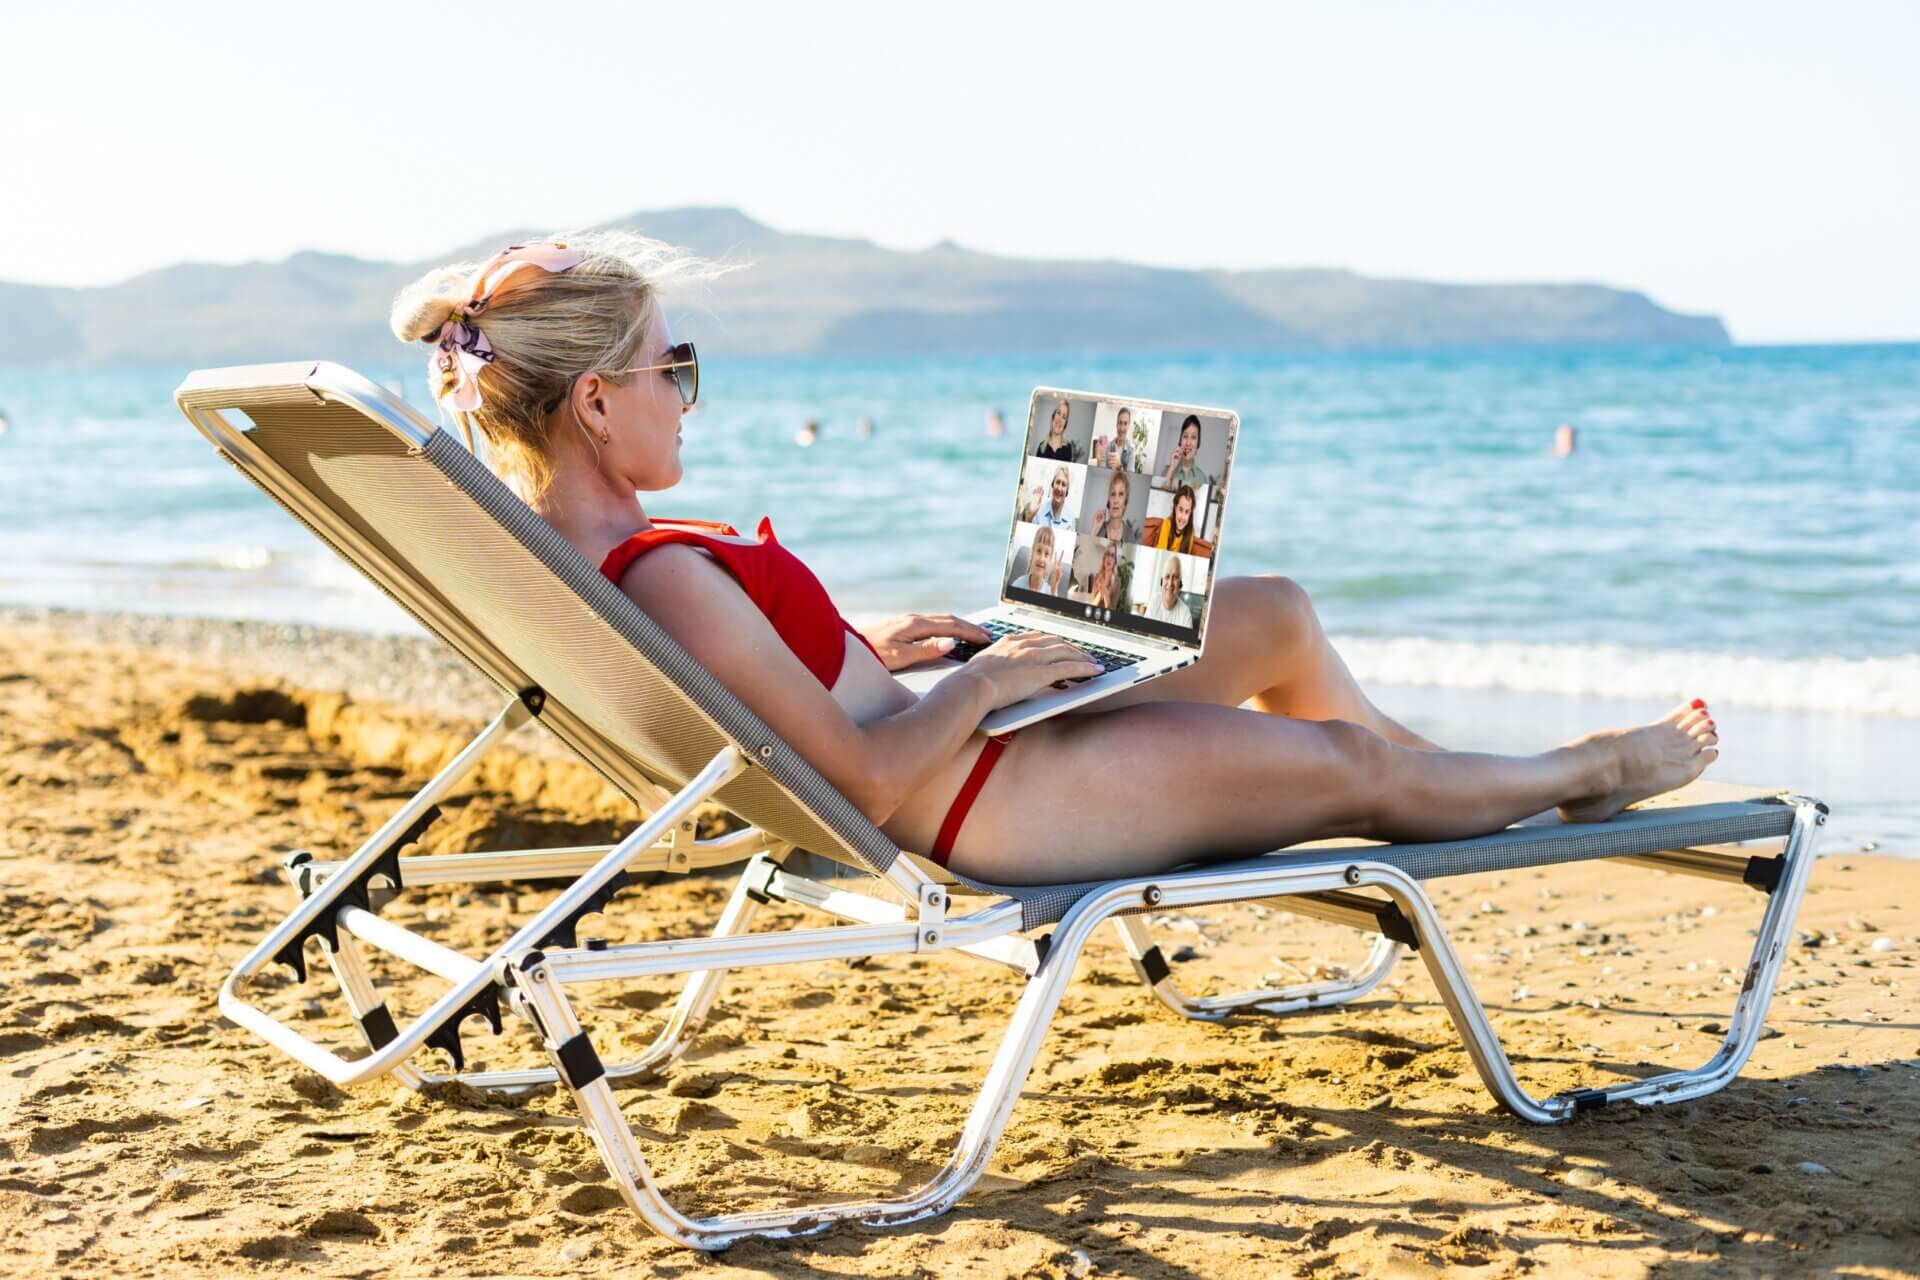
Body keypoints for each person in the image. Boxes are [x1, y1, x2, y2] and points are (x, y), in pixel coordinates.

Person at [388, 233, 1722, 885]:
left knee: (1269, 614)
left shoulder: (598, 555)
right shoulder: (662, 574)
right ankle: (1580, 772)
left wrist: (881, 650)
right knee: (1348, 765)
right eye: (671, 366)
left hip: (950, 730)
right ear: (597, 406)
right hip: (979, 796)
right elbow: (855, 775)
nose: (688, 389)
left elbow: (791, 702)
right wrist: (989, 679)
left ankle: (1449, 787)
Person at [1010, 525, 1067, 596]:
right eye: (1039, 551)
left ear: (1050, 560)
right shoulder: (1018, 584)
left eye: (1046, 554)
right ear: (1032, 552)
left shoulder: (1051, 592)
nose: (1041, 559)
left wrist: (1054, 589)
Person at [1160, 414, 1212, 490]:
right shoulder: (1167, 470)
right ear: (1180, 441)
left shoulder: (1203, 478)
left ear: (1198, 444)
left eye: (1193, 437)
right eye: (1185, 436)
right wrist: (1171, 469)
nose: (1188, 443)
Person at [1087, 469, 1138, 543]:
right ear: (1108, 502)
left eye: (1121, 494)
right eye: (1113, 494)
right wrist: (1094, 529)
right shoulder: (1099, 528)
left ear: (1125, 503)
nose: (1116, 500)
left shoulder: (1130, 535)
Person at [1146, 555, 1195, 628]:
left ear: (1180, 584)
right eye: (1167, 576)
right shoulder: (1154, 601)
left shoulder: (1186, 613)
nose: (1170, 583)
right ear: (1162, 581)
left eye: (1175, 577)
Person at [1152, 484, 1199, 555]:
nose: (1183, 517)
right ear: (1175, 507)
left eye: (1187, 512)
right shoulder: (1167, 524)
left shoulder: (1190, 532)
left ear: (1191, 513)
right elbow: (1161, 552)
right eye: (1180, 509)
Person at [1028, 465, 1077, 530]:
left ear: (1067, 493)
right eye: (1057, 482)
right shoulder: (1039, 511)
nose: (1059, 488)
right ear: (1052, 485)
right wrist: (1031, 513)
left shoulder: (1071, 519)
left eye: (1063, 484)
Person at [1093, 406, 1134, 473]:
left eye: (1125, 423)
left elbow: (1129, 478)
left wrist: (1119, 466)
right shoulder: (1108, 447)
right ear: (1116, 424)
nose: (1122, 428)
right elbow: (1102, 471)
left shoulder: (1131, 449)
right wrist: (1098, 459)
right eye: (1120, 423)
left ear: (1129, 426)